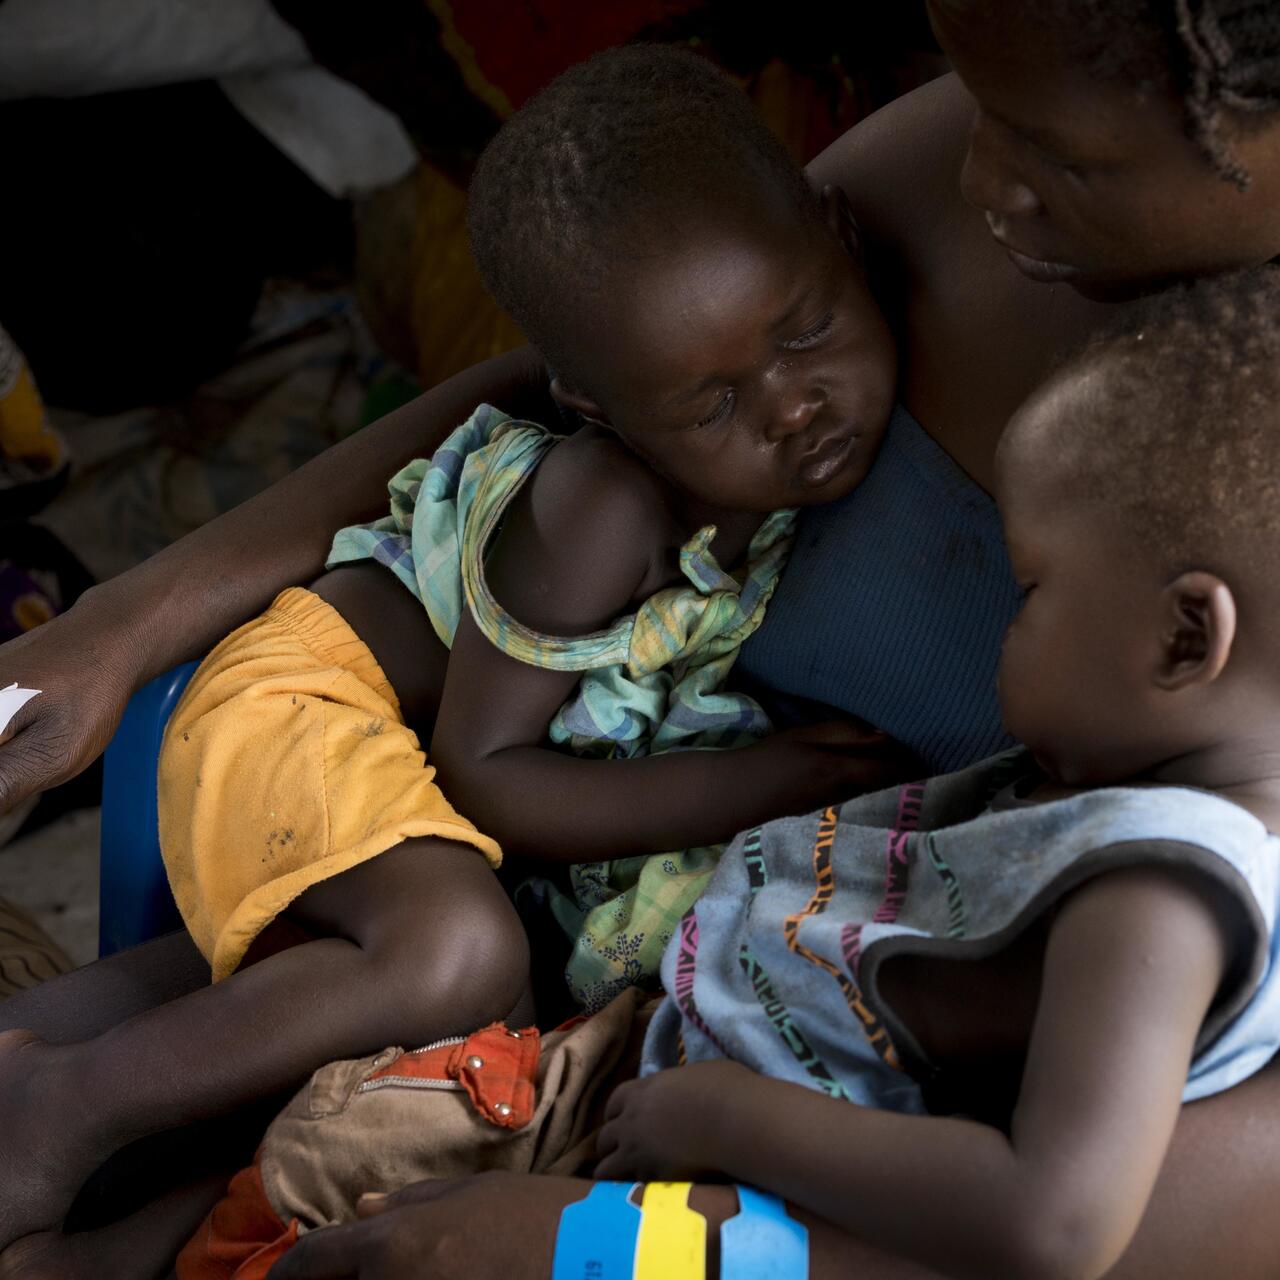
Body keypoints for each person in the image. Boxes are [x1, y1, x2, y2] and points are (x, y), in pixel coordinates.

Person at [4, 1, 1280, 1276]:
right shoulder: (926, 203)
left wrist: (638, 1248)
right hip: (640, 913)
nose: (977, 173)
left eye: (1057, 154)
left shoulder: (1171, 874)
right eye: (974, 99)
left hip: (776, 1129)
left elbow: (1108, 1201)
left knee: (390, 1073)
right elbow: (595, 362)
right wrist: (120, 625)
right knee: (363, 1023)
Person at [182, 269, 1280, 1280]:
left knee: (317, 1197)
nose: (1000, 632)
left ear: (1184, 638)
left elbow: (1052, 1221)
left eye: (1030, 590)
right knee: (306, 1153)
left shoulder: (1159, 892)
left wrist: (717, 1125)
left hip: (706, 1186)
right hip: (659, 1078)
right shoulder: (1137, 809)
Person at [0, 45, 904, 1262]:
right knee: (457, 955)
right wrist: (781, 776)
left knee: (472, 1076)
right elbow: (489, 770)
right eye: (711, 405)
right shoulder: (603, 503)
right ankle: (55, 1110)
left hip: (404, 770)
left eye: (806, 333)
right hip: (313, 705)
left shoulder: (760, 386)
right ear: (591, 401)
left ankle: (64, 1123)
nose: (790, 404)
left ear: (840, 234)